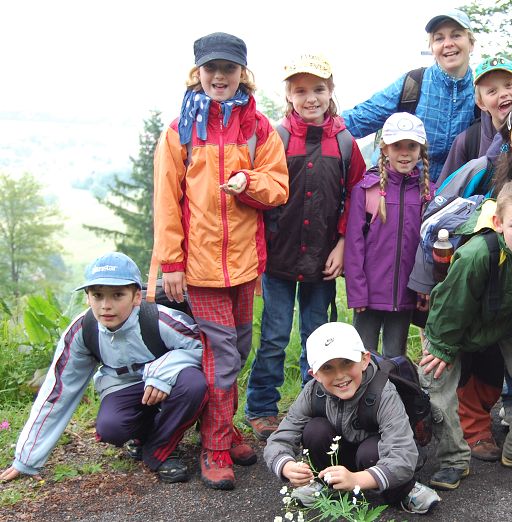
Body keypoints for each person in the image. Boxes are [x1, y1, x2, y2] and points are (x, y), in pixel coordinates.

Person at [153, 32, 289, 490]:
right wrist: (171, 263)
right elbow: (166, 202)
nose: (219, 76)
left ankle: (225, 430)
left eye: (228, 68)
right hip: (199, 268)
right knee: (222, 357)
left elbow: (278, 188)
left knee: (238, 351)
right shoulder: (180, 130)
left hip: (246, 265)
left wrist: (248, 181)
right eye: (211, 68)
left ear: (242, 73)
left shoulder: (258, 128)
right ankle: (214, 447)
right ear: (198, 73)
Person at [416, 97, 512, 462]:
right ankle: (459, 449)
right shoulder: (483, 171)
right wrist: (433, 321)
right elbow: (436, 224)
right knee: (463, 367)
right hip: (471, 293)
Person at [0, 253, 206, 485]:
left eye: (118, 295)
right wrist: (26, 459)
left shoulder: (160, 320)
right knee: (111, 428)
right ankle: (144, 437)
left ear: (136, 296)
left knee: (194, 385)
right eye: (97, 295)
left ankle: (160, 451)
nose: (106, 306)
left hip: (170, 383)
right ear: (88, 298)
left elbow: (204, 348)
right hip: (122, 386)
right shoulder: (83, 330)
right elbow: (57, 391)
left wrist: (161, 374)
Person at [244, 54, 365, 442]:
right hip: (278, 257)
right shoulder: (275, 139)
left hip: (322, 260)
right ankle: (262, 408)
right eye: (300, 91)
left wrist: (343, 244)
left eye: (318, 89)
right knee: (274, 336)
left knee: (317, 337)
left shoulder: (345, 144)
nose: (310, 98)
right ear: (288, 95)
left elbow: (355, 197)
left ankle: (313, 408)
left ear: (331, 92)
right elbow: (260, 194)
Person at [264, 322, 442, 515]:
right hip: (342, 455)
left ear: (364, 360)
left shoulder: (383, 392)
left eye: (347, 362)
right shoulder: (312, 391)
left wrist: (356, 480)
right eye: (327, 367)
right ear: (315, 374)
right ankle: (328, 483)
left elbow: (403, 455)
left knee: (370, 452)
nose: (340, 375)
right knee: (315, 430)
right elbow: (280, 438)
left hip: (376, 456)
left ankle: (403, 492)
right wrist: (287, 466)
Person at [342, 8, 477, 182]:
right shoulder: (413, 84)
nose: (448, 43)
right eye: (439, 38)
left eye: (456, 35)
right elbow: (361, 118)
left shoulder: (480, 94)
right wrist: (318, 124)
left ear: (471, 43)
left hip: (449, 194)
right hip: (393, 189)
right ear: (432, 48)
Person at [344, 113, 434, 356]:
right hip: (368, 296)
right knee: (364, 357)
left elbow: (427, 248)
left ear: (421, 150)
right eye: (397, 146)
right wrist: (357, 292)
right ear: (384, 149)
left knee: (395, 357)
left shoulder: (427, 194)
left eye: (411, 146)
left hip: (406, 294)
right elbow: (354, 246)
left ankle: (394, 384)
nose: (405, 153)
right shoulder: (367, 190)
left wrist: (422, 287)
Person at [438, 55, 512, 184]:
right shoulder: (467, 141)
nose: (503, 94)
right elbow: (446, 192)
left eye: (508, 85)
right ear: (481, 103)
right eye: (492, 91)